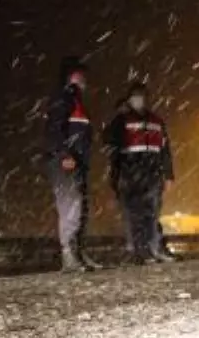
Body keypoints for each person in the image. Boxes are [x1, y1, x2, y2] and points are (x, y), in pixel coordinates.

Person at [105, 80, 176, 264]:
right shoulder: (122, 120)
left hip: (152, 174)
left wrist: (168, 174)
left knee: (151, 214)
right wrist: (115, 177)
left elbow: (165, 150)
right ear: (129, 100)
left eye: (140, 97)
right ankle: (136, 251)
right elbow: (110, 143)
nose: (138, 100)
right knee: (133, 214)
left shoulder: (157, 122)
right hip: (130, 174)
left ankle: (153, 249)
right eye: (134, 97)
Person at [45, 57, 101, 271]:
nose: (83, 78)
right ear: (70, 76)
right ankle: (68, 256)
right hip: (65, 162)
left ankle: (78, 253)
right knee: (71, 208)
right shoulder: (63, 97)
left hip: (79, 163)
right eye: (79, 74)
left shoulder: (76, 101)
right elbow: (54, 130)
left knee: (81, 208)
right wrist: (63, 155)